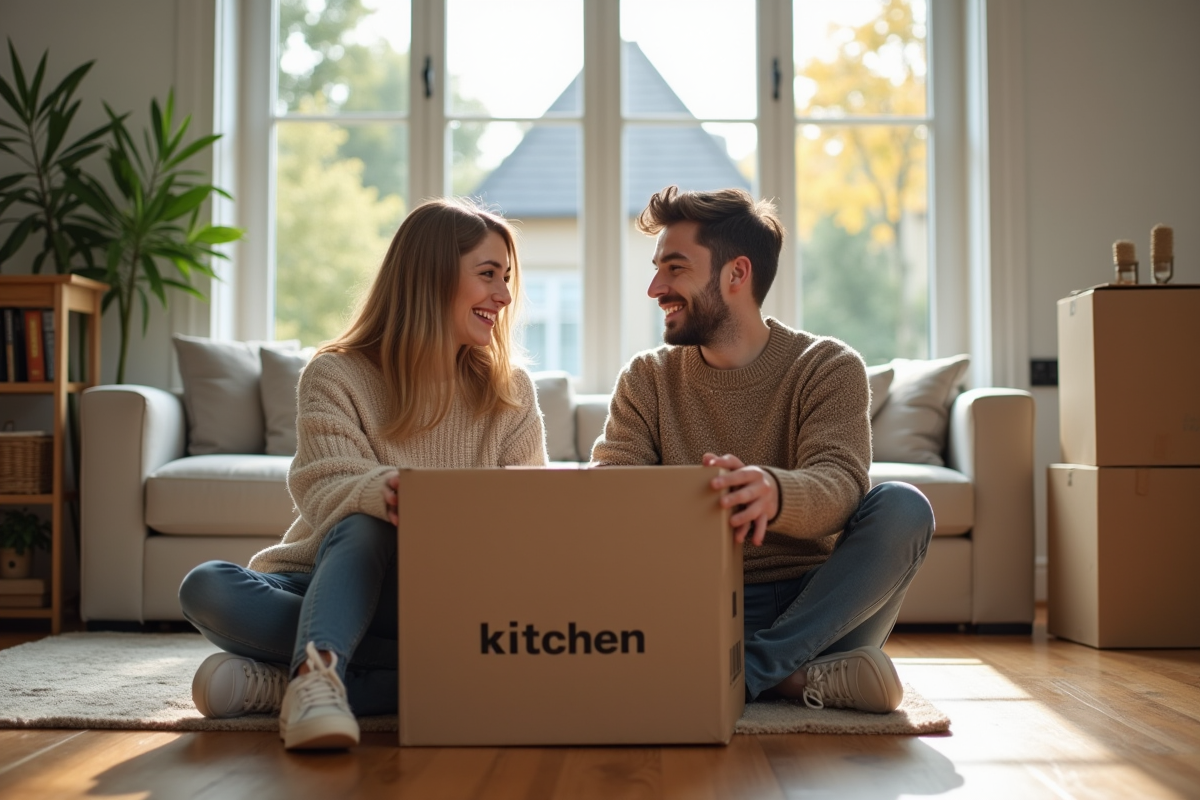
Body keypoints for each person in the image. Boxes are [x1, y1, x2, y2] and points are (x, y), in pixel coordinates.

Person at [178, 198, 548, 750]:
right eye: (489, 275)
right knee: (210, 586)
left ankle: (300, 683)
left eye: (508, 278)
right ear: (432, 276)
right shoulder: (336, 373)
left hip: (438, 599)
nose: (504, 294)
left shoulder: (509, 392)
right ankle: (425, 672)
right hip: (324, 581)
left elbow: (531, 522)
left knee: (504, 632)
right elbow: (324, 489)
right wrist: (386, 492)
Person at [591, 186, 934, 712]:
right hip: (696, 602)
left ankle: (735, 672)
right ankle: (794, 677)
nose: (655, 287)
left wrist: (774, 491)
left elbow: (842, 483)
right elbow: (611, 500)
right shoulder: (647, 378)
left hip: (818, 605)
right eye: (657, 268)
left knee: (904, 507)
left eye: (675, 268)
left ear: (736, 274)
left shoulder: (827, 366)